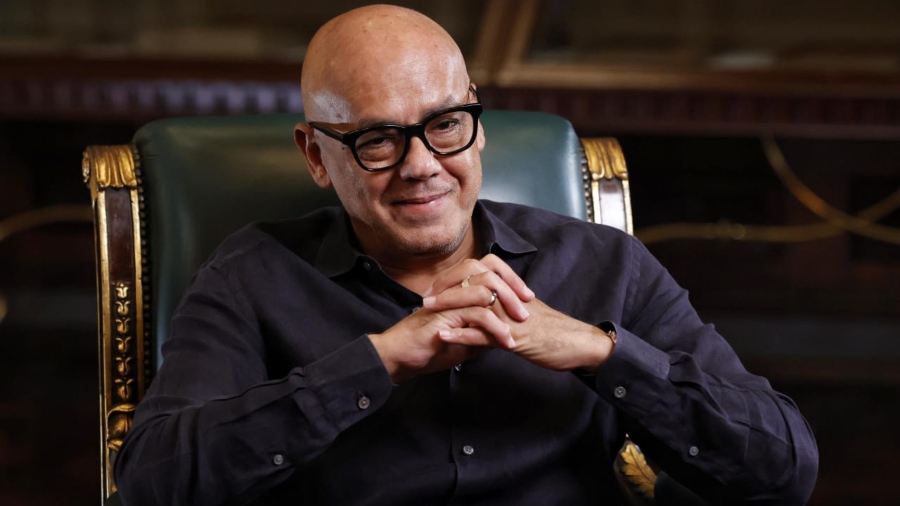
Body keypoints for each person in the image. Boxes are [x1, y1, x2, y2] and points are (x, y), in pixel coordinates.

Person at [114, 4, 818, 505]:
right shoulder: (252, 275)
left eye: (446, 125)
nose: (422, 165)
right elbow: (151, 481)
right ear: (317, 156)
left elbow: (783, 469)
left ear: (477, 125)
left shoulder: (606, 264)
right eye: (378, 140)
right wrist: (376, 362)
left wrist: (601, 353)